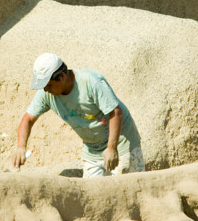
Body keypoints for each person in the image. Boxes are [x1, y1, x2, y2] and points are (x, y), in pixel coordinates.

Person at [13, 53, 145, 178]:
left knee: (127, 194)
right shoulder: (46, 94)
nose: (45, 90)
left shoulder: (90, 81)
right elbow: (28, 119)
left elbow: (115, 112)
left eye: (49, 85)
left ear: (62, 77)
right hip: (93, 152)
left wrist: (112, 148)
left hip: (122, 145)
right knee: (92, 197)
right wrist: (20, 146)